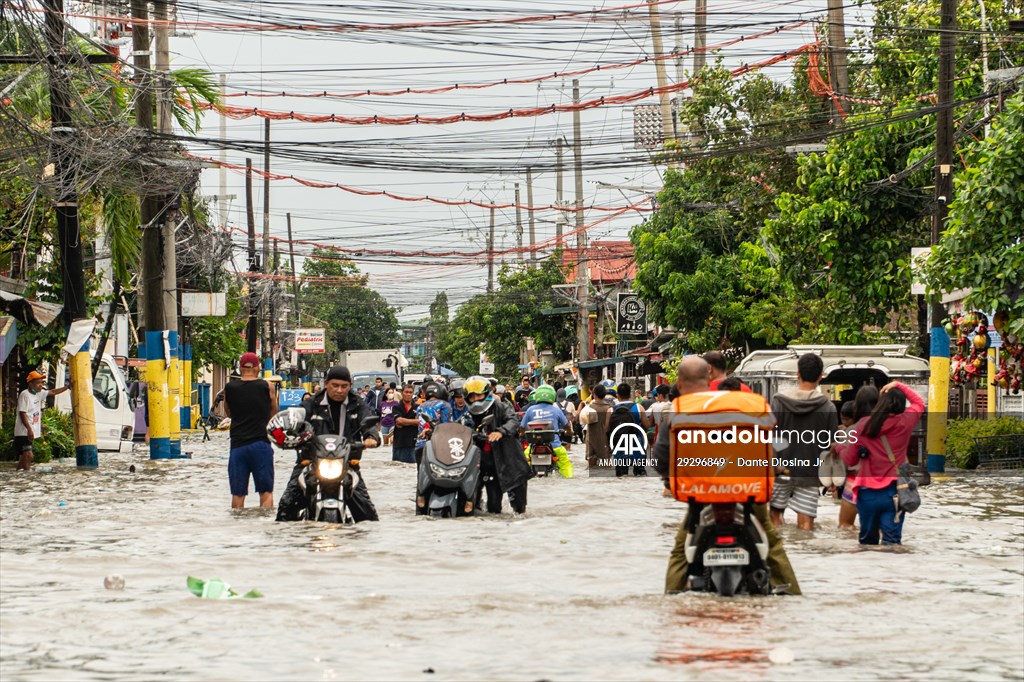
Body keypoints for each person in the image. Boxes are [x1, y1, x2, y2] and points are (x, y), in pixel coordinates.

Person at [653, 356, 801, 595]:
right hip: (750, 494)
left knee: (680, 552)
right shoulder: (749, 404)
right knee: (773, 544)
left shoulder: (681, 410)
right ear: (709, 376)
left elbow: (661, 458)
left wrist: (670, 482)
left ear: (679, 383)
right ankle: (795, 598)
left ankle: (671, 600)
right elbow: (772, 447)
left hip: (700, 497)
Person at [276, 365, 381, 522]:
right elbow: (295, 420)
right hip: (310, 462)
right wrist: (290, 434)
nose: (339, 390)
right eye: (335, 385)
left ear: (350, 386)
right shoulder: (312, 404)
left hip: (346, 464)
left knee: (368, 516)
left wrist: (371, 437)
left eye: (344, 386)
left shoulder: (357, 404)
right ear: (326, 384)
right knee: (286, 507)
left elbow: (369, 423)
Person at [836, 381, 924, 545]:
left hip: (866, 493)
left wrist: (839, 447)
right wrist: (899, 385)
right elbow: (919, 403)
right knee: (892, 543)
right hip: (895, 493)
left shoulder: (862, 426)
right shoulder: (904, 422)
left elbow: (850, 459)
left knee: (867, 543)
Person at [768, 353, 838, 531]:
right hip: (809, 473)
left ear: (798, 373)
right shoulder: (827, 407)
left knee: (775, 519)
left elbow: (772, 437)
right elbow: (830, 446)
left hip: (780, 470)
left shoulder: (778, 402)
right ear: (821, 376)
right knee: (806, 524)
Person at [462, 376, 533, 513]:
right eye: (472, 397)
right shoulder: (467, 415)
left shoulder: (501, 407)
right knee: (492, 507)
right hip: (485, 464)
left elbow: (513, 420)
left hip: (508, 461)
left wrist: (501, 432)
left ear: (487, 394)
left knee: (519, 507)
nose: (475, 399)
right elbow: (458, 428)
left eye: (479, 395)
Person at [223, 353, 277, 509]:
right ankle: (263, 525)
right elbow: (273, 414)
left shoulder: (230, 387)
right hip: (261, 444)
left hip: (238, 446)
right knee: (266, 493)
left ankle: (238, 531)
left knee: (237, 495)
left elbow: (229, 413)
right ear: (258, 368)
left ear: (240, 368)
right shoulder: (267, 386)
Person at [14, 370, 69, 470]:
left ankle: (19, 476)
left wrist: (68, 387)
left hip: (29, 431)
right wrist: (29, 430)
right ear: (30, 384)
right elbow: (22, 413)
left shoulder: (38, 394)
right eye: (38, 383)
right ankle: (27, 477)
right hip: (23, 432)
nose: (40, 385)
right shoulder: (25, 395)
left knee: (23, 458)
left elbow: (53, 392)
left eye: (41, 382)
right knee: (28, 455)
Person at [521, 385, 574, 478]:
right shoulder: (556, 410)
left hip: (533, 446)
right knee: (566, 465)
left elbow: (522, 427)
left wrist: (521, 434)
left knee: (523, 463)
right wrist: (569, 432)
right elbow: (567, 426)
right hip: (555, 446)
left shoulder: (530, 410)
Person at [610, 382, 650, 476]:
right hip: (637, 446)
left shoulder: (611, 410)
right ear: (630, 394)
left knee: (621, 476)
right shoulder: (638, 407)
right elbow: (647, 425)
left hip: (619, 447)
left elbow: (607, 429)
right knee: (640, 475)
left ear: (617, 395)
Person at [416, 382, 453, 465]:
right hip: (439, 446)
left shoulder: (420, 407)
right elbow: (446, 427)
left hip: (420, 445)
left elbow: (418, 423)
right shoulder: (444, 405)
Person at [581, 384, 613, 469]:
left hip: (591, 441)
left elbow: (579, 419)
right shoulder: (610, 408)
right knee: (607, 467)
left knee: (591, 467)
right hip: (605, 442)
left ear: (594, 395)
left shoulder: (589, 407)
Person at [391, 384, 419, 463]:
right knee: (398, 468)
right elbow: (399, 421)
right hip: (400, 442)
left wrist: (404, 422)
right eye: (406, 392)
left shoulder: (418, 407)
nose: (408, 394)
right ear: (402, 393)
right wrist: (414, 421)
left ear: (413, 394)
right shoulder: (396, 407)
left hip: (413, 443)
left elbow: (420, 422)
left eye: (410, 392)